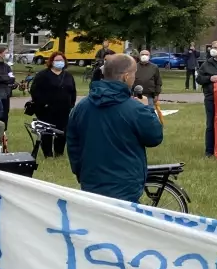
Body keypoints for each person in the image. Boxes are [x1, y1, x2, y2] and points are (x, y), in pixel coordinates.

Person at [66, 54, 163, 202]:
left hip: (91, 180)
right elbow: (155, 136)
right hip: (125, 183)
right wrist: (148, 109)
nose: (134, 77)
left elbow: (73, 144)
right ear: (125, 77)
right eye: (134, 73)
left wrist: (80, 171)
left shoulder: (82, 106)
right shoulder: (135, 109)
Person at [29, 51, 77, 158]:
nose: (60, 62)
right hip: (46, 109)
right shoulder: (43, 75)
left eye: (61, 60)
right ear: (51, 61)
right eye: (57, 60)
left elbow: (73, 90)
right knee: (47, 132)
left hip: (64, 109)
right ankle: (48, 153)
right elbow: (35, 91)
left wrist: (71, 104)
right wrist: (43, 103)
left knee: (62, 131)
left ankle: (59, 153)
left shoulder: (68, 76)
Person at [0, 44, 16, 132]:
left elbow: (12, 79)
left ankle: (3, 133)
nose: (8, 54)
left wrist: (1, 77)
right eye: (6, 52)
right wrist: (4, 78)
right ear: (0, 54)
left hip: (6, 94)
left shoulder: (7, 66)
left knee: (5, 114)